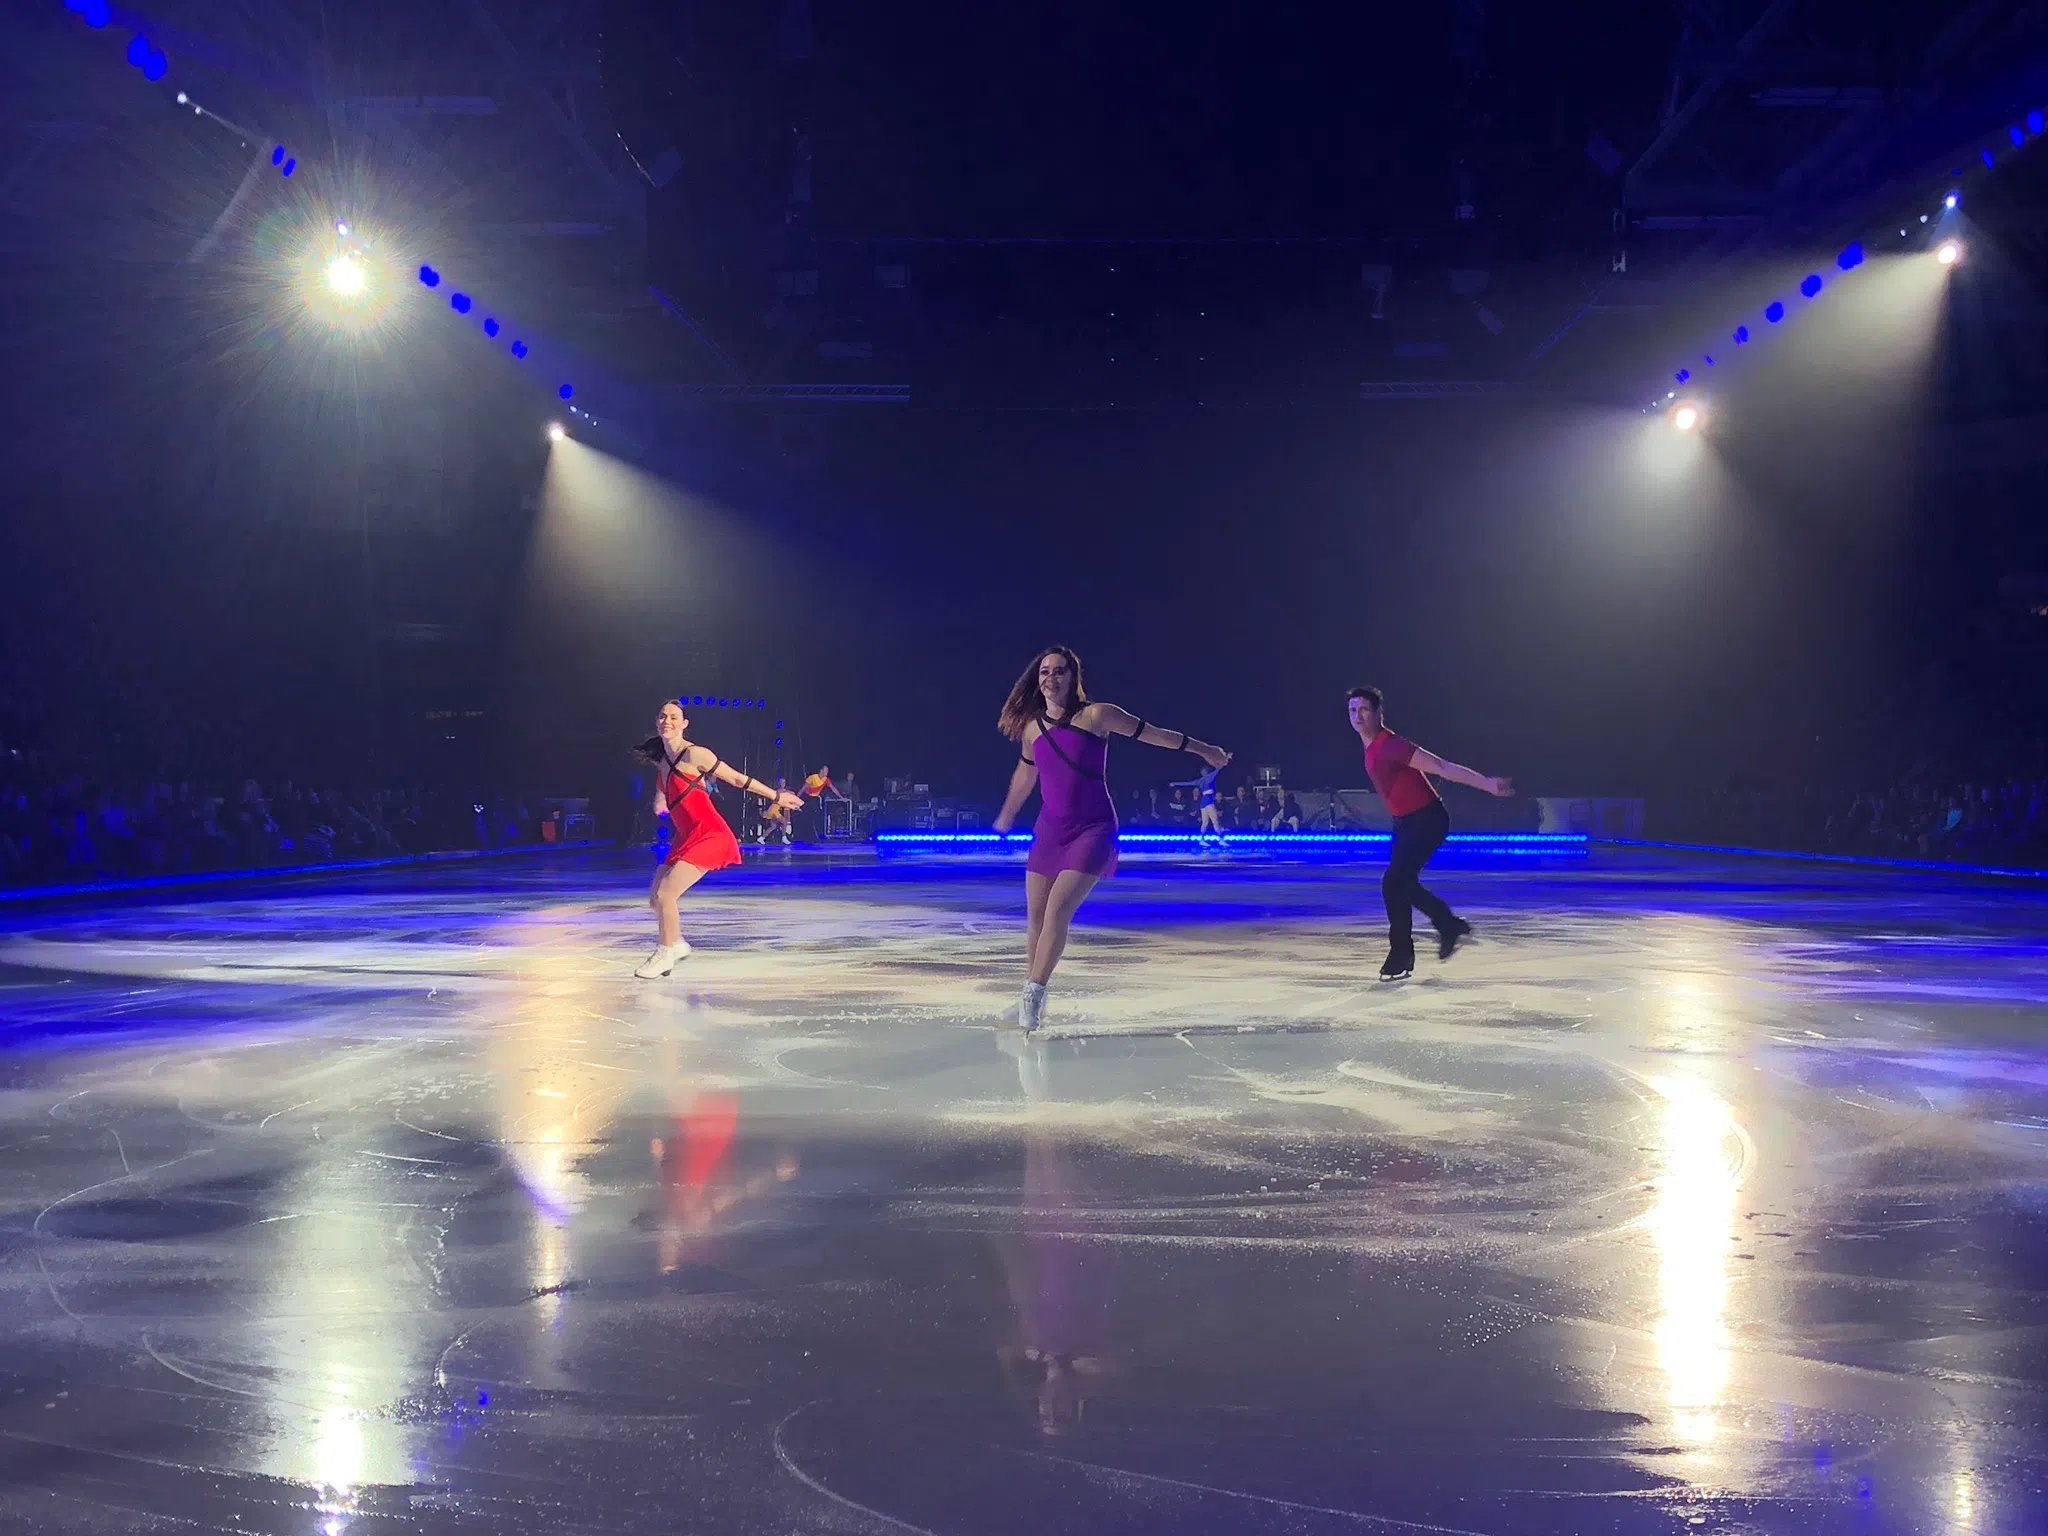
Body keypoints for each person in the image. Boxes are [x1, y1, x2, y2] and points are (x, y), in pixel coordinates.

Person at [992, 646, 1228, 1032]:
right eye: (1044, 673)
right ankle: (1028, 993)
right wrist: (1007, 813)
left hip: (1093, 828)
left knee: (1056, 912)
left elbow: (1155, 735)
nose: (1051, 679)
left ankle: (1033, 995)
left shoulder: (1097, 715)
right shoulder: (1032, 729)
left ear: (1073, 677)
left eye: (1059, 672)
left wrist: (1205, 749)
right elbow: (1026, 774)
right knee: (1035, 916)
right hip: (1049, 831)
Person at [1347, 686, 1513, 980]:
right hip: (1405, 823)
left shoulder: (1391, 745)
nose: (1357, 716)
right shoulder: (1370, 746)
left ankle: (1405, 952)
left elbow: (1441, 767)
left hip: (1427, 819)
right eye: (1352, 710)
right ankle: (1443, 926)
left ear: (1378, 714)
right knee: (1398, 884)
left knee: (1395, 882)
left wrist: (1487, 784)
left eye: (1364, 710)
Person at [634, 699, 803, 978]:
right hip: (685, 836)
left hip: (710, 833)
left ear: (684, 724)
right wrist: (661, 801)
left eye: (674, 717)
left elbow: (737, 779)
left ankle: (665, 952)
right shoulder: (663, 764)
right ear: (657, 721)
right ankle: (676, 944)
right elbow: (661, 804)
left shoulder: (695, 754)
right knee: (656, 899)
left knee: (666, 894)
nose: (668, 721)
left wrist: (776, 796)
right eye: (663, 716)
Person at [1171, 763, 1224, 838]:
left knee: (1205, 822)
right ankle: (1221, 839)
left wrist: (1175, 783)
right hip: (1208, 800)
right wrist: (1225, 759)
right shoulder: (1209, 777)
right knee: (1215, 820)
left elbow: (1188, 783)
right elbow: (1218, 769)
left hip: (1203, 801)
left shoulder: (1200, 780)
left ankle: (1202, 840)